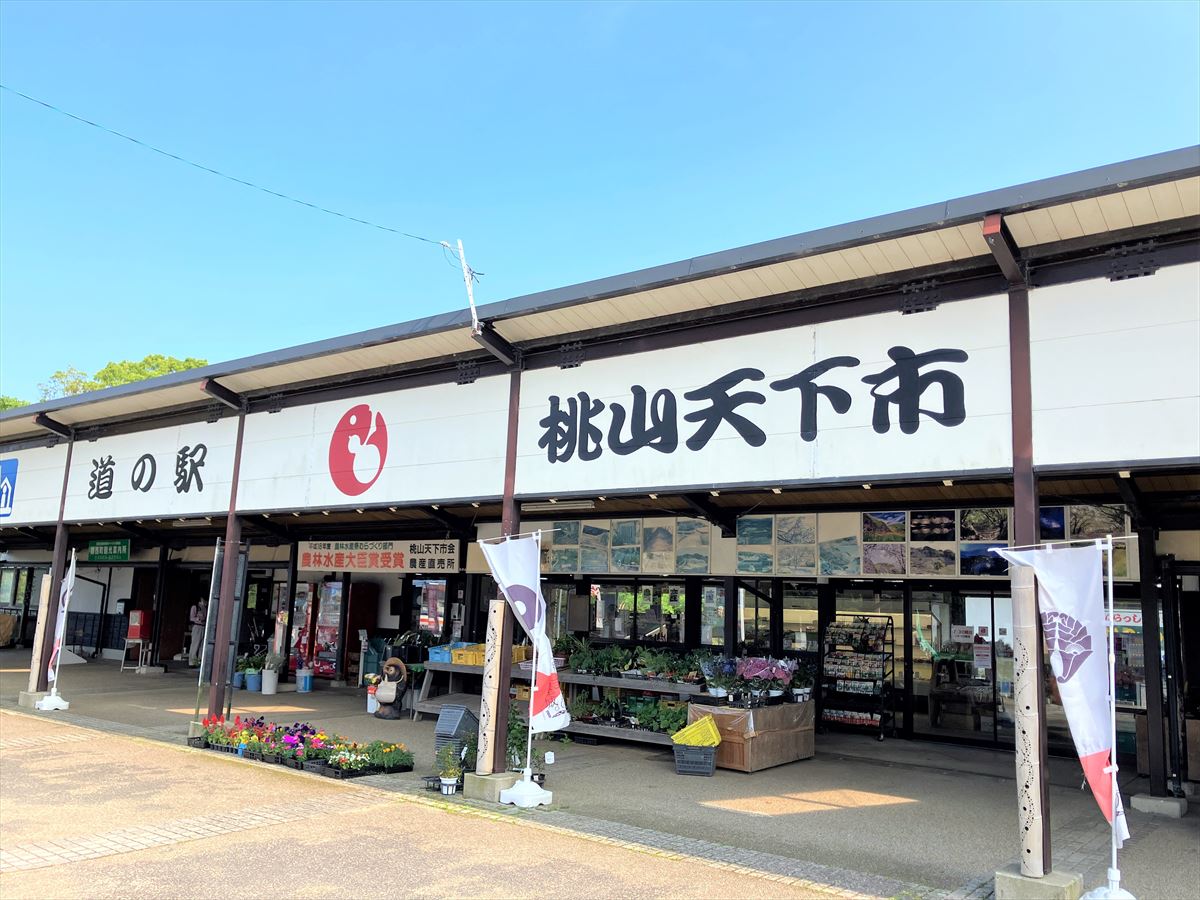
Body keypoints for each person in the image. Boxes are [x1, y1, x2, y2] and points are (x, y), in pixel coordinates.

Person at [188, 598, 207, 666]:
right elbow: (191, 618)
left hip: (204, 626)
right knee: (195, 644)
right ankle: (192, 662)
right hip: (197, 626)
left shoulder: (205, 608)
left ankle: (199, 662)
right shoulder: (195, 607)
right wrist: (198, 619)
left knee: (202, 646)